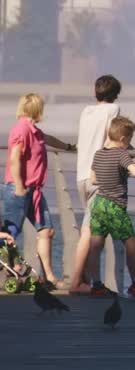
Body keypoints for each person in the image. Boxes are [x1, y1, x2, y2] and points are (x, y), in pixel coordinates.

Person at [4, 93, 75, 288]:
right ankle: (12, 270)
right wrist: (19, 185)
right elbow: (14, 159)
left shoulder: (34, 131)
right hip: (18, 188)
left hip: (34, 191)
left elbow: (48, 139)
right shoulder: (21, 129)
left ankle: (49, 277)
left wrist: (69, 147)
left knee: (47, 231)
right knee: (10, 233)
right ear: (36, 109)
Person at [84, 116, 135, 298]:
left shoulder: (99, 153)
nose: (129, 144)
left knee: (96, 245)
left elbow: (94, 179)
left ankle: (96, 284)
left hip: (99, 203)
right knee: (131, 244)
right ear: (123, 139)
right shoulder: (121, 154)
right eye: (129, 140)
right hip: (115, 206)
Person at [69, 75, 123, 294]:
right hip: (98, 176)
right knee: (88, 232)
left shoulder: (86, 111)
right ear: (116, 94)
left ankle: (86, 279)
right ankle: (78, 283)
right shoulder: (113, 110)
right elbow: (114, 137)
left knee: (88, 227)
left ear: (95, 92)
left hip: (82, 175)